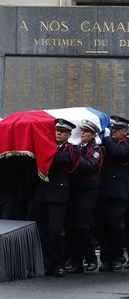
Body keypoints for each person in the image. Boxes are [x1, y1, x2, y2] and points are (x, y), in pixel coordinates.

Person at [34, 118, 80, 277]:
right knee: (42, 230)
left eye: (62, 131)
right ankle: (47, 263)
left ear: (69, 134)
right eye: (56, 130)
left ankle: (59, 262)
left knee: (56, 231)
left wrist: (44, 152)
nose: (58, 133)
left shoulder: (72, 149)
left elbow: (63, 160)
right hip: (42, 193)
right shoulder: (47, 147)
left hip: (58, 194)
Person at [66, 119, 102, 274]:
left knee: (83, 225)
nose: (82, 134)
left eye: (86, 132)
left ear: (92, 134)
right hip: (74, 190)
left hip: (87, 192)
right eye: (82, 131)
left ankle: (91, 258)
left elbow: (89, 166)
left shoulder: (95, 150)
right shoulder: (78, 148)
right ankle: (76, 260)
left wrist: (74, 156)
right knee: (72, 226)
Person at [97, 115, 129, 272]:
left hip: (117, 193)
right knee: (101, 226)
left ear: (125, 131)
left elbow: (119, 154)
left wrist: (108, 138)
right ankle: (106, 258)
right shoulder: (104, 144)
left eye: (117, 129)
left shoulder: (125, 144)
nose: (114, 131)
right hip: (102, 190)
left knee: (115, 226)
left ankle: (118, 256)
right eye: (112, 128)